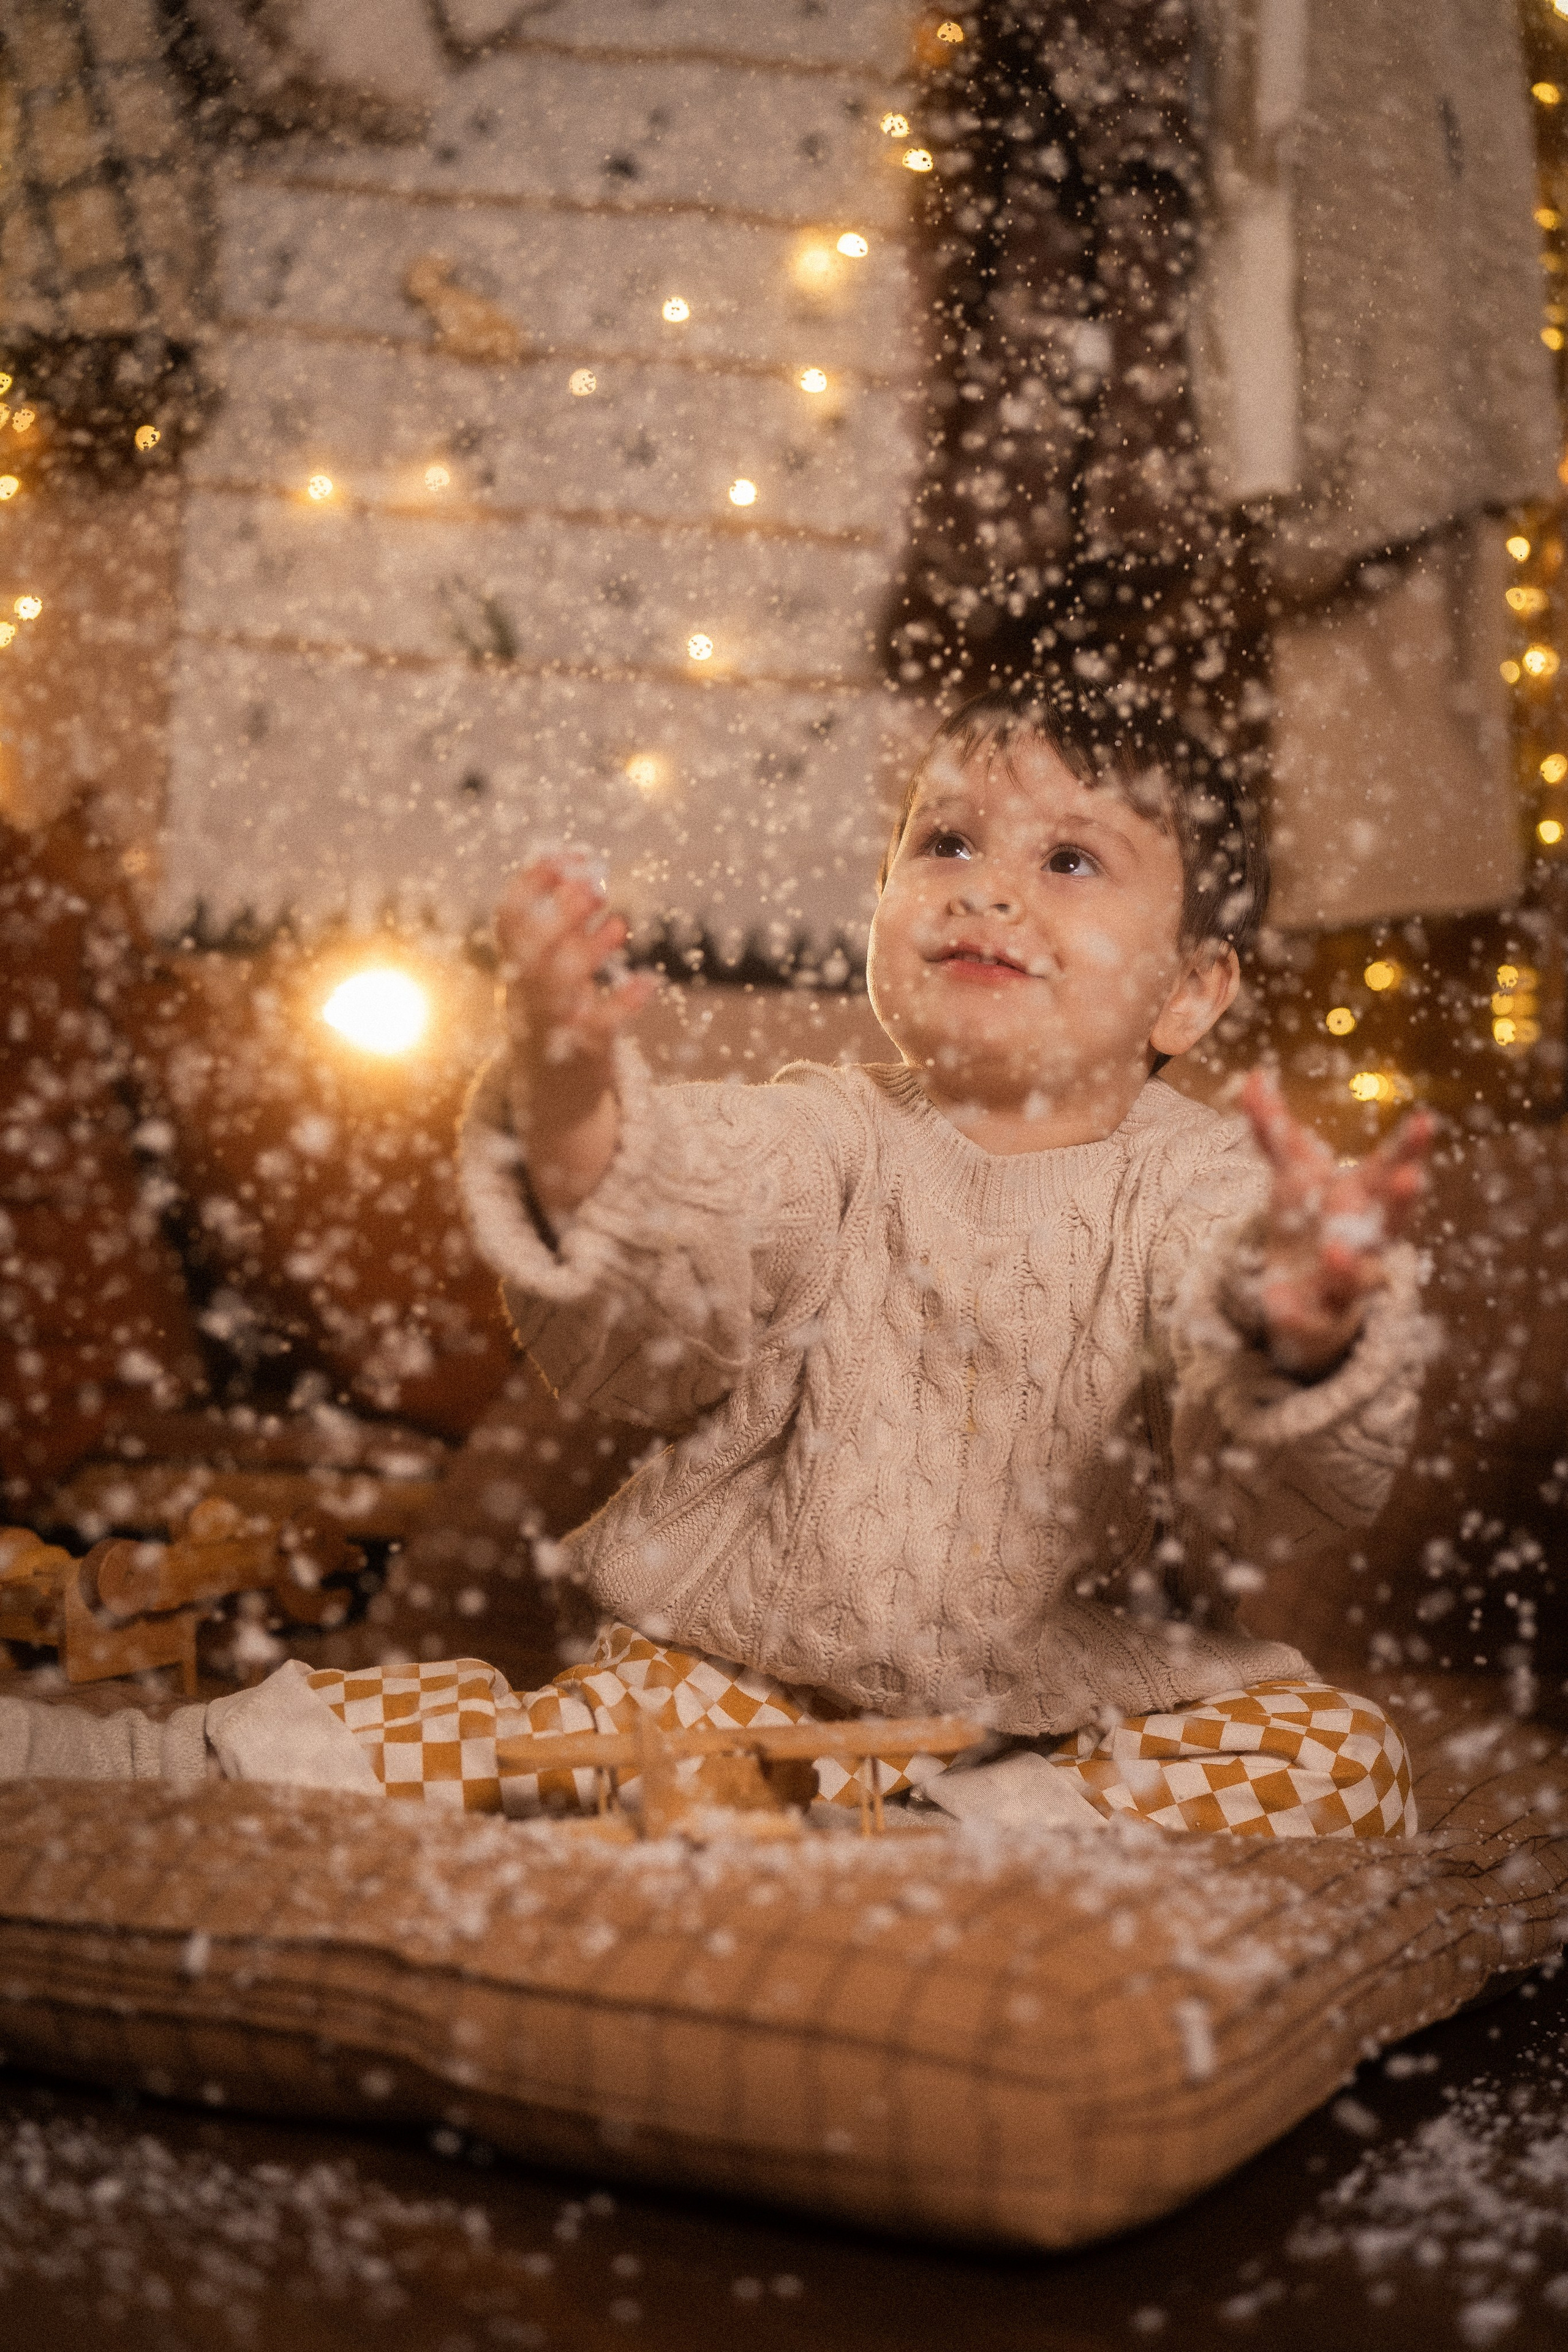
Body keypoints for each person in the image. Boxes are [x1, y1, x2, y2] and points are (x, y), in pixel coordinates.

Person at [0, 685, 1433, 1836]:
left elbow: (1279, 1480)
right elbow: (661, 1273)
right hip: (729, 1698)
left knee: (1339, 1752)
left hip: (1062, 1718)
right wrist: (573, 1111)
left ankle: (965, 1823)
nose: (985, 894)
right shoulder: (822, 1136)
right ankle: (145, 1761)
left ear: (1189, 990)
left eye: (1068, 860)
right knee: (460, 1726)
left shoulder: (1206, 1186)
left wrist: (1295, 1325)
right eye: (943, 845)